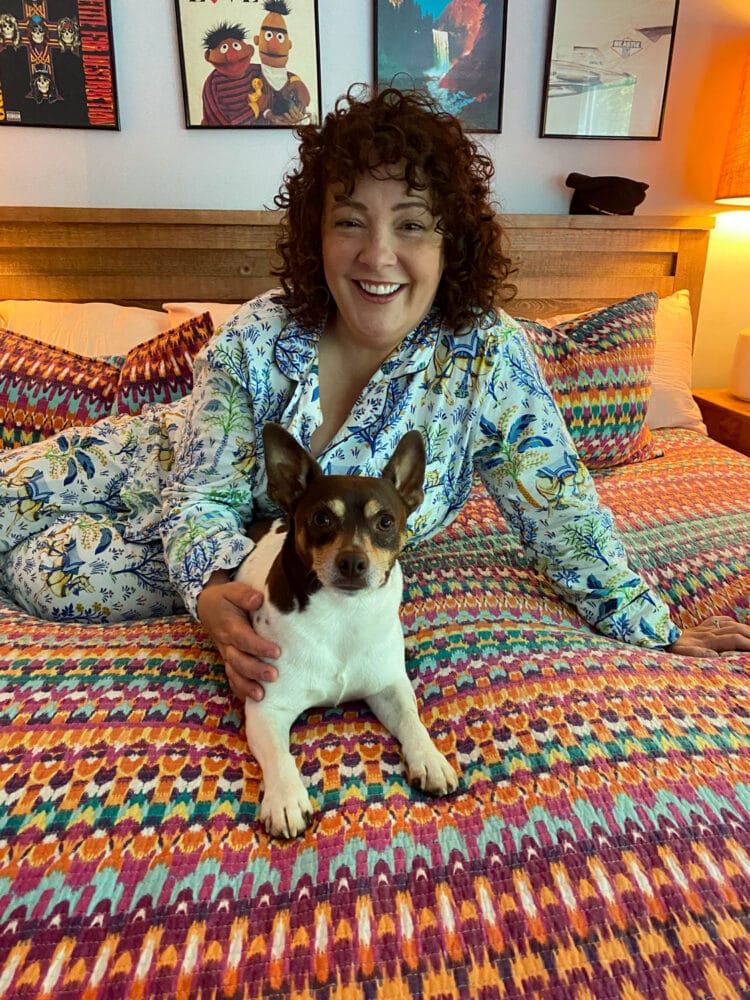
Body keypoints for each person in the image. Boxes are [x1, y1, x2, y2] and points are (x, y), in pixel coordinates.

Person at [1, 86, 748, 702]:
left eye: (412, 224)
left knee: (59, 583)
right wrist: (220, 589)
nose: (377, 255)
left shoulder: (486, 355)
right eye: (349, 221)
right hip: (151, 457)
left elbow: (560, 507)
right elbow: (200, 499)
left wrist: (647, 621)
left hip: (250, 551)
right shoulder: (260, 334)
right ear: (314, 236)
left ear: (450, 240)